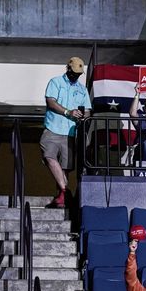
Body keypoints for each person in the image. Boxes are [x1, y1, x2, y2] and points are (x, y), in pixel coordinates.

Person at [42, 55, 92, 208]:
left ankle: (62, 197)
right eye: (74, 73)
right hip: (53, 127)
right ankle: (65, 191)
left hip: (71, 132)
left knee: (66, 167)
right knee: (48, 156)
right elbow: (50, 102)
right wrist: (67, 112)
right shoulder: (56, 82)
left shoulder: (82, 89)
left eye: (78, 74)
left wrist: (83, 115)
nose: (76, 76)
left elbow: (88, 110)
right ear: (68, 68)